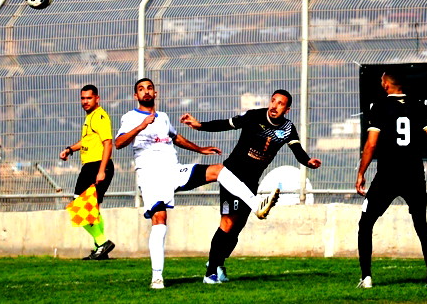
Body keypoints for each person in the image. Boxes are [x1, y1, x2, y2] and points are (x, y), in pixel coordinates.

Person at [115, 78, 275, 290]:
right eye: (141, 89)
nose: (146, 92)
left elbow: (175, 138)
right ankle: (157, 277)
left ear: (155, 93)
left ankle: (256, 205)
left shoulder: (162, 117)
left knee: (219, 170)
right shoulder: (130, 117)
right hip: (151, 176)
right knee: (160, 220)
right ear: (136, 95)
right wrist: (141, 126)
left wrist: (200, 149)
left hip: (173, 170)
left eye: (149, 88)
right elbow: (119, 143)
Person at [180, 88, 321, 284]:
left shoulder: (288, 128)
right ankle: (210, 273)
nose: (274, 106)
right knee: (227, 223)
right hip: (232, 176)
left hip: (251, 182)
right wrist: (199, 125)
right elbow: (226, 124)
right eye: (273, 101)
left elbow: (297, 150)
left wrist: (308, 161)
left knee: (237, 228)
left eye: (280, 104)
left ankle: (218, 263)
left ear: (287, 109)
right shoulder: (254, 116)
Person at [355, 71, 427, 289]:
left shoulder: (379, 106)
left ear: (386, 85)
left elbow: (371, 144)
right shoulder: (418, 105)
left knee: (366, 223)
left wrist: (361, 173)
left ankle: (366, 278)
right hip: (414, 174)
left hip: (387, 175)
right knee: (421, 224)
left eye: (382, 81)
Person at [59, 84, 115, 260]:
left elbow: (108, 143)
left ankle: (102, 242)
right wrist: (70, 149)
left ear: (97, 98)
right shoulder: (90, 117)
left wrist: (101, 170)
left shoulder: (99, 116)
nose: (85, 101)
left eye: (89, 98)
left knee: (79, 207)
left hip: (96, 166)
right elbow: (87, 141)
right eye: (83, 98)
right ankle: (100, 249)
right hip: (91, 166)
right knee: (92, 208)